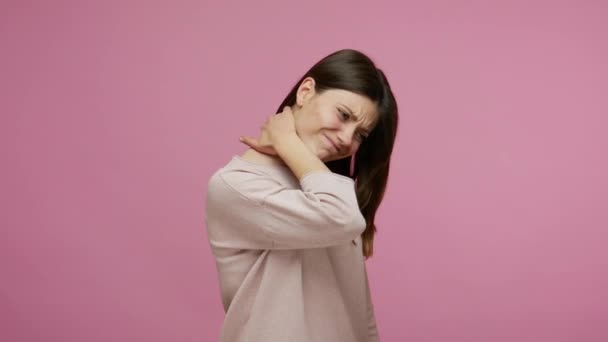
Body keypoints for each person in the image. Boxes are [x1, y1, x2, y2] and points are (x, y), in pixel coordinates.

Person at [205, 48, 398, 342]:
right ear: (306, 91)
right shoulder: (237, 187)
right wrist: (287, 141)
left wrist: (287, 143)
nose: (347, 138)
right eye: (343, 115)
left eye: (361, 134)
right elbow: (341, 218)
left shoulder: (330, 188)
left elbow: (359, 312)